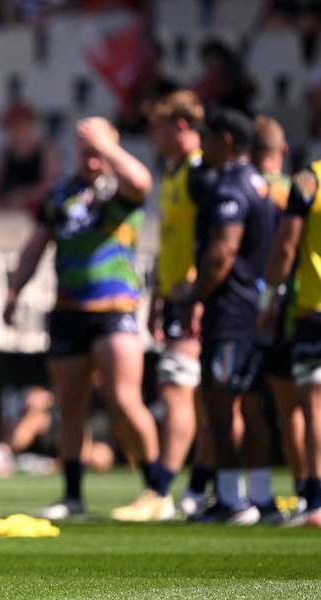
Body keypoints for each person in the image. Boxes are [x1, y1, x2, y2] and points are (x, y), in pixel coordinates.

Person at [3, 117, 164, 521]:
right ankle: (72, 494)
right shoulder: (60, 194)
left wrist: (107, 147)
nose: (92, 161)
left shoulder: (121, 190)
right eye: (86, 152)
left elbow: (143, 182)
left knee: (125, 400)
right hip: (68, 310)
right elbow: (36, 246)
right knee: (70, 405)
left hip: (115, 311)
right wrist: (14, 291)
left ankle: (156, 490)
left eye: (98, 152)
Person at [182, 109, 275, 525]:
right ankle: (261, 497)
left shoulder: (230, 188)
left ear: (226, 140)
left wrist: (194, 296)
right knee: (250, 407)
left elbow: (221, 253)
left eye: (209, 138)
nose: (203, 146)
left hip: (230, 311)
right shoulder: (258, 183)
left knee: (221, 407)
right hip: (251, 308)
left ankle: (231, 500)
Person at [145, 89, 215, 519]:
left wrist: (199, 296)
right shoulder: (174, 172)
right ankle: (198, 489)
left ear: (182, 126)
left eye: (159, 127)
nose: (154, 136)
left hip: (193, 299)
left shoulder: (200, 173)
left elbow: (213, 241)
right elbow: (171, 242)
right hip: (173, 296)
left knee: (178, 387)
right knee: (196, 394)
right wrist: (157, 296)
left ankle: (164, 492)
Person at [260, 152, 321, 528]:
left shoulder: (309, 179)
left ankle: (315, 501)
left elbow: (285, 246)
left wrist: (268, 300)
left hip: (314, 307)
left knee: (314, 403)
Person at [250, 115, 301, 522]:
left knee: (286, 410)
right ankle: (307, 493)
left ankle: (299, 491)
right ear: (281, 151)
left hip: (267, 305)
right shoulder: (293, 190)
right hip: (299, 302)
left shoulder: (249, 189)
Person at [0, 101, 59, 213]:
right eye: (12, 126)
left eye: (21, 124)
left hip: (38, 213)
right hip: (9, 213)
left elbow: (50, 186)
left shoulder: (45, 150)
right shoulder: (6, 153)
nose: (17, 130)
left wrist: (24, 196)